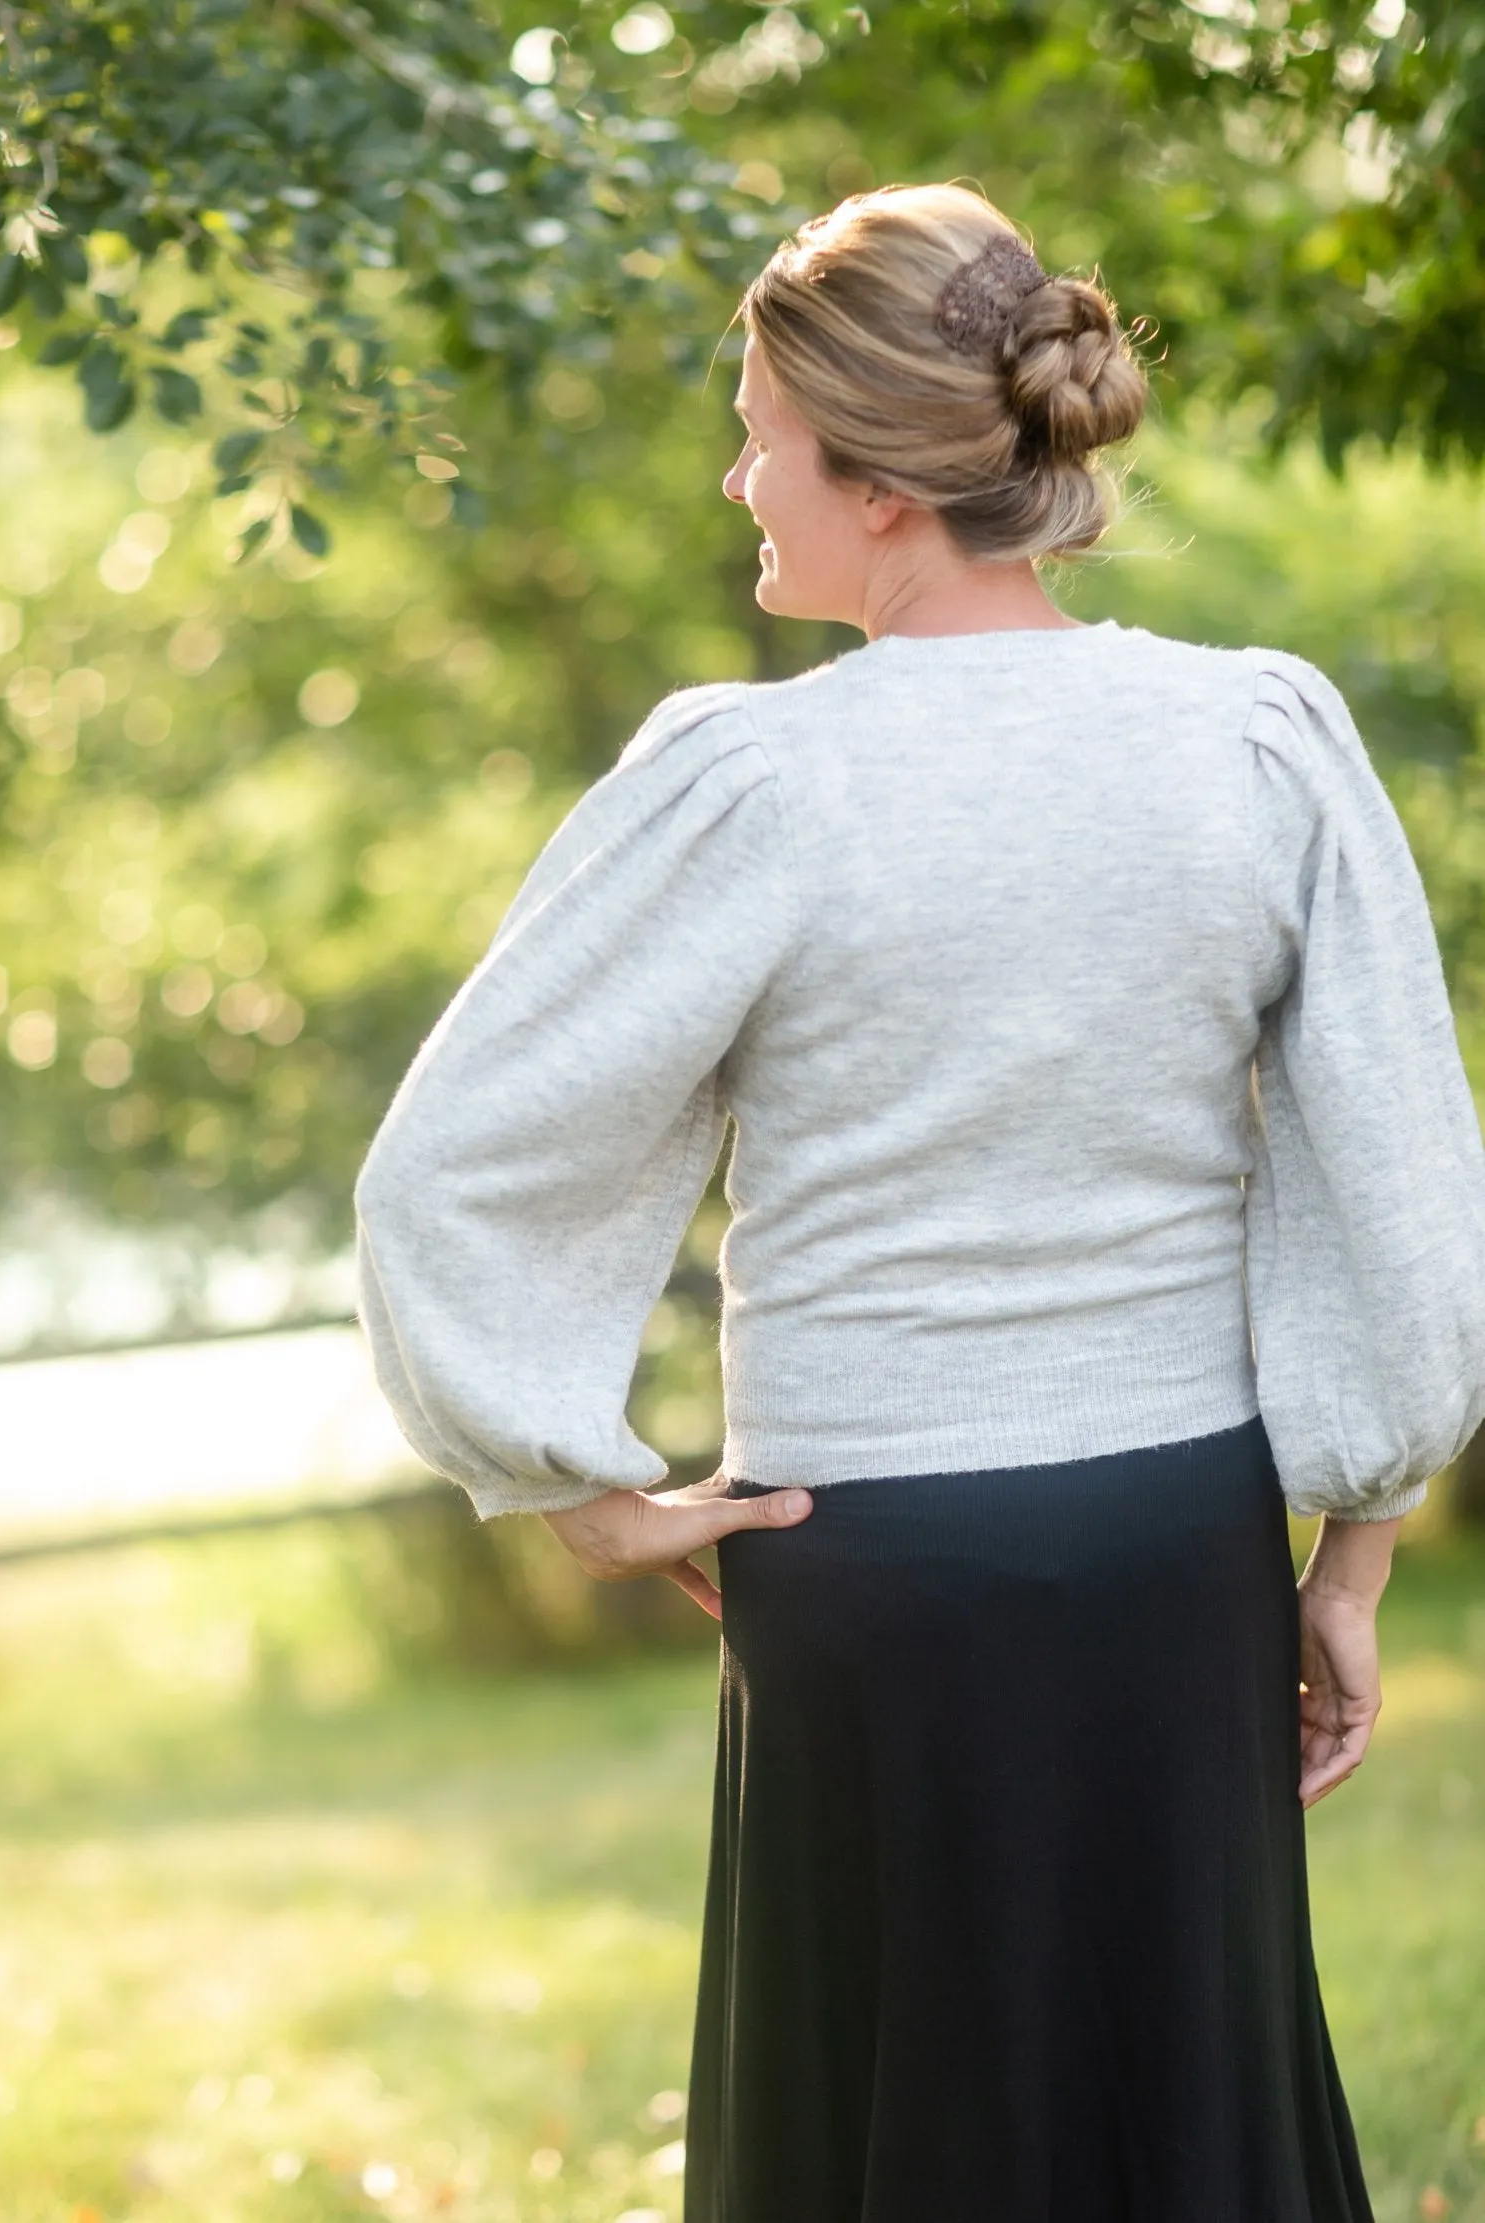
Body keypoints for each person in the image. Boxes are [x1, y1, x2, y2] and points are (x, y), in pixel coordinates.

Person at [354, 183, 1485, 2222]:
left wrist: (571, 1479)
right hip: (1176, 1549)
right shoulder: (1254, 740)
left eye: (755, 434)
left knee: (888, 2132)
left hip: (870, 1569)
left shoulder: (754, 783)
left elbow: (465, 1160)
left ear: (876, 486)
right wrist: (1355, 1555)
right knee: (1183, 2124)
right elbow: (1396, 1168)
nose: (731, 475)